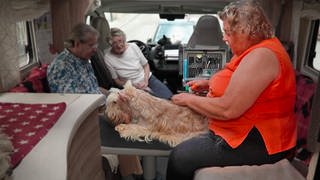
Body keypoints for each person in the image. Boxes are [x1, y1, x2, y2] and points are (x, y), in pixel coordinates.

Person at [166, 1, 297, 179]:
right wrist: (210, 83)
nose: (224, 38)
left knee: (179, 157)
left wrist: (188, 99)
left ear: (246, 31)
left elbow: (228, 109)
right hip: (239, 132)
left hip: (256, 142)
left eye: (228, 32)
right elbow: (239, 81)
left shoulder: (262, 56)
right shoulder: (251, 49)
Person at [47, 23, 143, 179]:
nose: (95, 48)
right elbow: (72, 104)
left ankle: (135, 172)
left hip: (99, 107)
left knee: (136, 107)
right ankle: (134, 174)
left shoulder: (83, 60)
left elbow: (93, 87)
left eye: (96, 44)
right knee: (127, 123)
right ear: (77, 43)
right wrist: (108, 105)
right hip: (87, 117)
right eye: (91, 45)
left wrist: (116, 93)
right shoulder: (62, 66)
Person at [104, 27, 173, 99]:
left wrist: (145, 81)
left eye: (120, 41)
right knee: (153, 105)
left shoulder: (133, 47)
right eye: (115, 43)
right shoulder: (108, 58)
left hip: (148, 79)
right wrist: (133, 86)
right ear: (110, 44)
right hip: (130, 87)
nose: (119, 45)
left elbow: (146, 65)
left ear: (124, 39)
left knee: (169, 98)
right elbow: (117, 81)